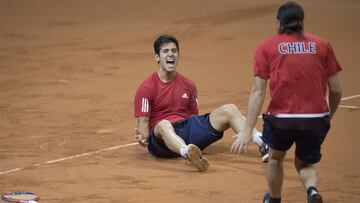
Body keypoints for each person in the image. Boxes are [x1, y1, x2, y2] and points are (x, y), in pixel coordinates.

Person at [231, 2, 342, 203]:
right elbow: (336, 89)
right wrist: (327, 116)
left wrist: (247, 131)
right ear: (302, 22)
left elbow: (258, 92)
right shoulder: (323, 45)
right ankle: (312, 190)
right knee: (305, 162)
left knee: (275, 158)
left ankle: (274, 199)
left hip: (283, 119)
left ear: (278, 23)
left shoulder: (266, 48)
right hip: (315, 118)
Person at [134, 34, 269, 172]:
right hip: (162, 142)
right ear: (157, 57)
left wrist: (235, 116)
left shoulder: (188, 85)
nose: (171, 55)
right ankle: (187, 153)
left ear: (178, 55)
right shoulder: (146, 88)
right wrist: (143, 138)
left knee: (230, 109)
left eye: (174, 51)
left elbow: (193, 118)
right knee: (164, 124)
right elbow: (144, 129)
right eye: (165, 51)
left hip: (187, 130)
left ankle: (264, 143)